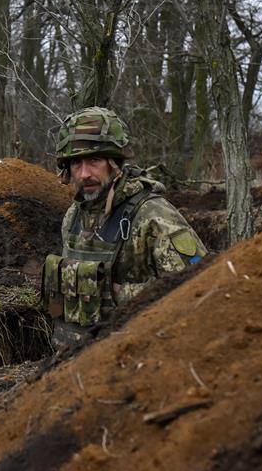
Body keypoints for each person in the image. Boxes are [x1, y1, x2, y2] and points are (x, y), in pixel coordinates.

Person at [41, 107, 208, 347]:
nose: (84, 173)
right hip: (71, 365)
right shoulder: (74, 216)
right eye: (76, 163)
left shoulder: (153, 216)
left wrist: (119, 294)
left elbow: (199, 288)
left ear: (115, 162)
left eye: (94, 160)